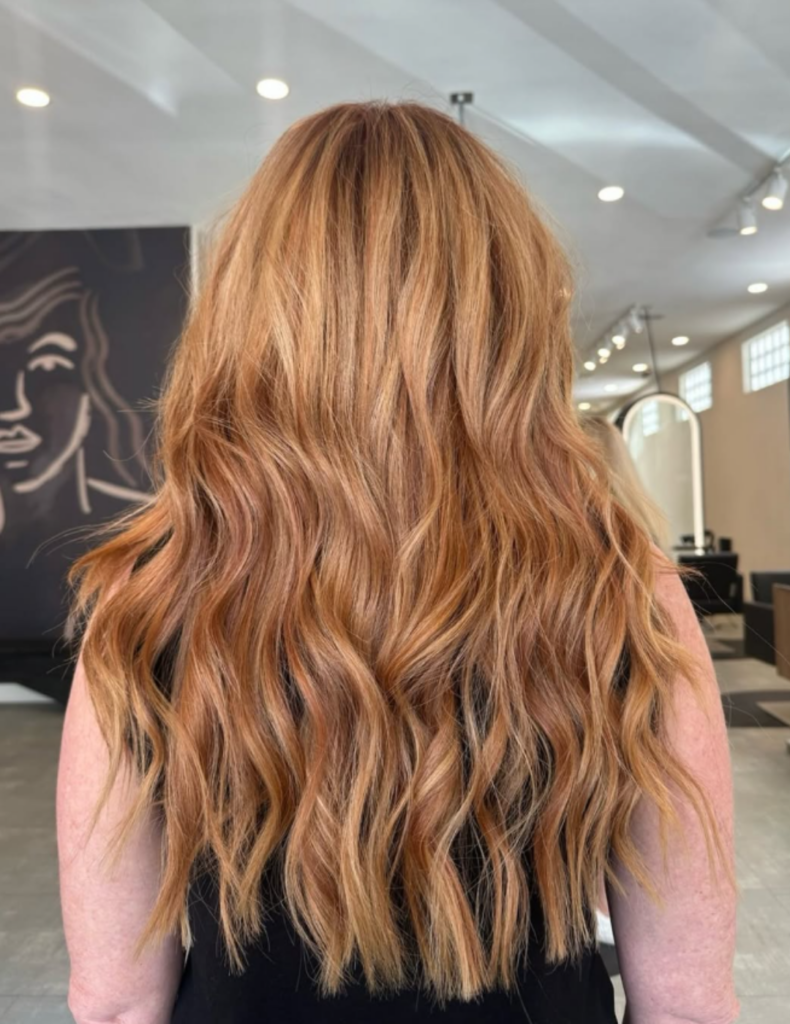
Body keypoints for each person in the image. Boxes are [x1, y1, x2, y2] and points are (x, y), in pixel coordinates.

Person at [56, 102, 738, 1024]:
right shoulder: (618, 588)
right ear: (504, 316)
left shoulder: (152, 595)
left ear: (250, 312)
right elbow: (686, 1003)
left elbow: (114, 1003)